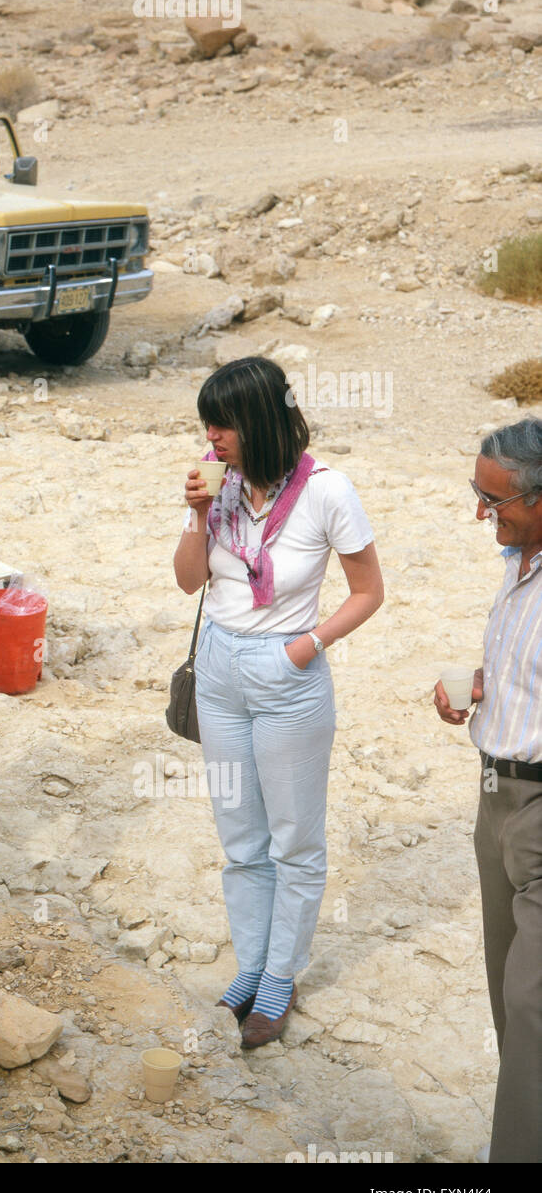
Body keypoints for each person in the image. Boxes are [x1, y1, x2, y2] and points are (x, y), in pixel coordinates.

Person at [173, 356, 384, 1048]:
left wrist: (306, 645)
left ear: (260, 418)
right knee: (241, 837)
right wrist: (198, 514)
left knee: (293, 838)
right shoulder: (218, 482)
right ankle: (252, 963)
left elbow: (367, 592)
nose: (212, 435)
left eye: (223, 421)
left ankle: (281, 976)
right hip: (219, 666)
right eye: (208, 422)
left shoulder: (328, 490)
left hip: (288, 672)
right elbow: (186, 581)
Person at [434, 417, 542, 1163]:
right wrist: (482, 689)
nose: (484, 515)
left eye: (496, 501)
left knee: (534, 1005)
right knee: (510, 998)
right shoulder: (518, 559)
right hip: (493, 799)